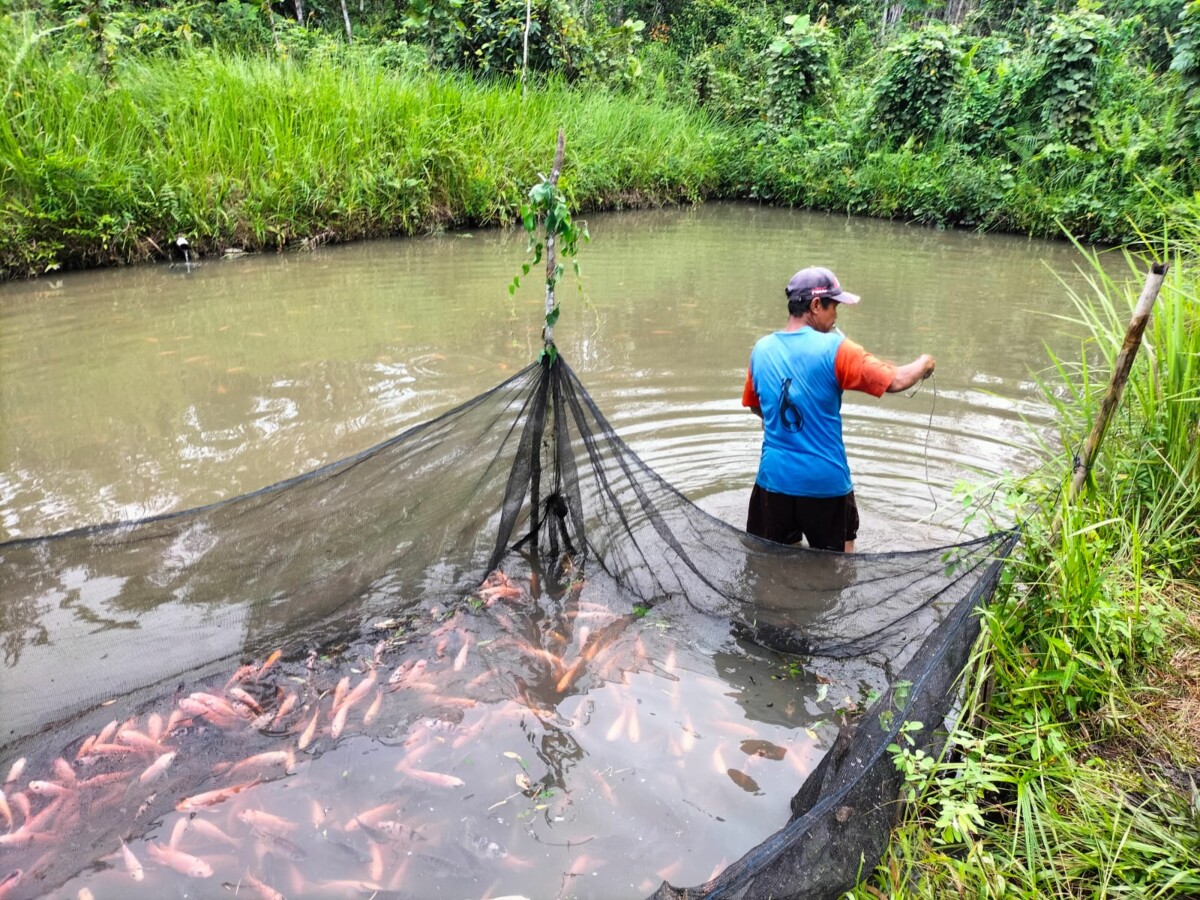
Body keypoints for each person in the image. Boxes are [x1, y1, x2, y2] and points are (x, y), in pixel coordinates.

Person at [742, 266, 935, 552]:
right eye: (834, 306)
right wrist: (924, 363)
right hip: (825, 485)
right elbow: (894, 381)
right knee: (838, 573)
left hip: (774, 482)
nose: (837, 315)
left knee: (772, 566)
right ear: (816, 305)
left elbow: (759, 408)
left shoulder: (761, 349)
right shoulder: (838, 348)